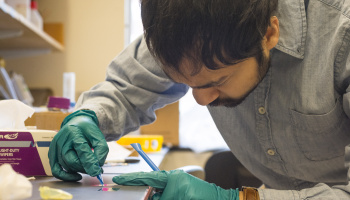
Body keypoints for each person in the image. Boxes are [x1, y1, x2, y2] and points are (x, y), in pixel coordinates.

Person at [48, 0, 350, 199]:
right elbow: (124, 90)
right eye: (184, 80)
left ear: (269, 33)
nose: (201, 100)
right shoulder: (183, 27)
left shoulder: (342, 36)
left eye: (218, 81)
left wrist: (239, 198)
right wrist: (88, 118)